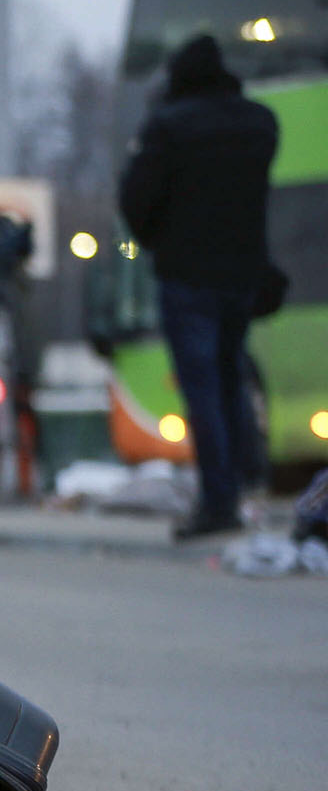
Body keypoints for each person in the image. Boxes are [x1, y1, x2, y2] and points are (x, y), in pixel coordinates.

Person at [119, 34, 278, 541]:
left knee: (202, 385)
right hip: (243, 273)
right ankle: (249, 476)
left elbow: (137, 199)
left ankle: (218, 500)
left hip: (188, 275)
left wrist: (157, 239)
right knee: (233, 377)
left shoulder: (169, 127)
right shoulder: (259, 123)